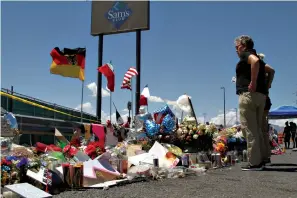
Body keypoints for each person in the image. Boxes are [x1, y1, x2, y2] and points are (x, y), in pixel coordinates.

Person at [234, 35, 267, 171]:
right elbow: (270, 70)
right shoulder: (258, 57)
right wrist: (267, 85)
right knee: (258, 129)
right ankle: (262, 158)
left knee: (249, 130)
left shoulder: (246, 55)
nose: (236, 50)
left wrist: (252, 82)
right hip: (260, 96)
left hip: (248, 95)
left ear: (243, 45)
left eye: (237, 47)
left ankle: (254, 163)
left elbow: (254, 62)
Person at [257, 53, 275, 164]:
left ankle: (263, 156)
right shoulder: (264, 73)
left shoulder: (260, 67)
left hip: (262, 100)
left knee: (260, 129)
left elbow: (272, 70)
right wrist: (269, 84)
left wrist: (269, 84)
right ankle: (265, 155)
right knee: (263, 129)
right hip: (265, 99)